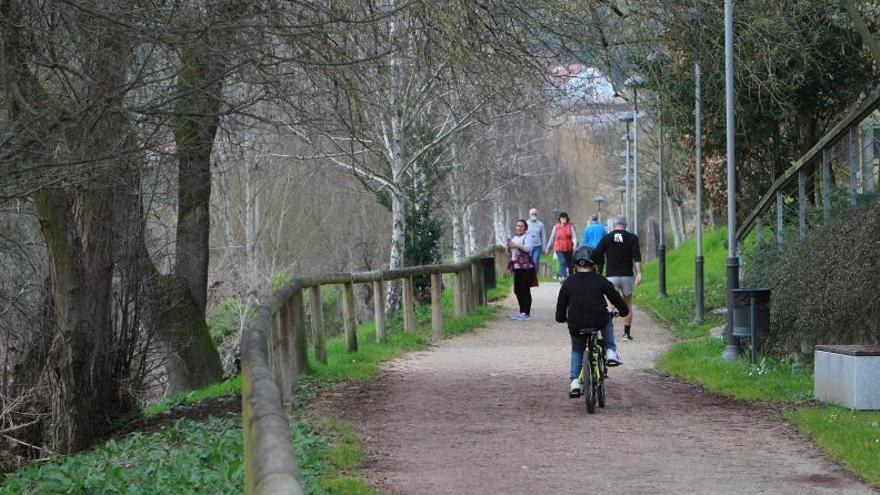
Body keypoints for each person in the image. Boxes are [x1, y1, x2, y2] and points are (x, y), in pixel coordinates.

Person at [555, 245, 629, 397]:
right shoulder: (600, 280)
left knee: (577, 350)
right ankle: (610, 351)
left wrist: (561, 318)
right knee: (607, 320)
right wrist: (623, 311)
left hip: (576, 324)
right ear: (594, 264)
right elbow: (615, 297)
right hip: (598, 319)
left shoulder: (568, 283)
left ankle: (574, 382)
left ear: (575, 264)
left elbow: (561, 307)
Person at [592, 215, 642, 341]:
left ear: (613, 226)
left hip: (611, 276)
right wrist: (639, 273)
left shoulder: (607, 238)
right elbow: (637, 257)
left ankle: (607, 333)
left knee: (610, 304)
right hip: (627, 276)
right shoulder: (632, 238)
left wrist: (599, 269)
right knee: (627, 304)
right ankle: (626, 334)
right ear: (626, 225)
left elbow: (596, 254)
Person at [508, 219, 535, 321]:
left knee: (525, 290)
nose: (519, 228)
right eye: (518, 226)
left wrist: (516, 245)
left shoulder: (528, 237)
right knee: (517, 290)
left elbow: (529, 249)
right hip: (517, 267)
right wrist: (508, 247)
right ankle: (522, 311)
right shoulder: (515, 237)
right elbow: (511, 253)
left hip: (526, 267)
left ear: (525, 228)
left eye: (521, 226)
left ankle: (526, 313)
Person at [545, 212, 578, 281]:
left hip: (569, 248)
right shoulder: (556, 227)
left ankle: (570, 278)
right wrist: (548, 247)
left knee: (569, 264)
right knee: (563, 261)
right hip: (558, 248)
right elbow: (552, 238)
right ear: (559, 219)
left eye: (565, 218)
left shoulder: (570, 227)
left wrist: (574, 245)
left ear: (567, 219)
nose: (563, 219)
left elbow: (574, 237)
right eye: (562, 218)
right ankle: (563, 277)